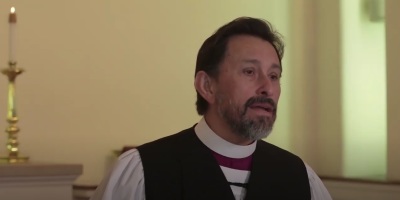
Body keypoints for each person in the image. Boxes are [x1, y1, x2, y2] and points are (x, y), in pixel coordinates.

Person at [90, 17, 332, 200]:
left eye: (274, 75)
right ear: (207, 86)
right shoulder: (142, 172)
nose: (267, 88)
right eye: (250, 72)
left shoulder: (300, 178)